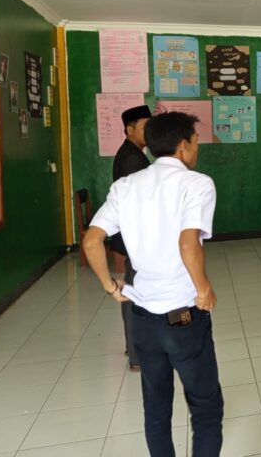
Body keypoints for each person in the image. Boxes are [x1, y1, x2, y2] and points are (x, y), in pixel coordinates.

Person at [82, 112, 223, 456]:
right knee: (205, 408)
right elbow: (188, 244)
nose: (197, 148)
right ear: (183, 145)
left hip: (142, 317)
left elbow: (91, 240)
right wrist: (204, 290)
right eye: (195, 141)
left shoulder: (126, 186)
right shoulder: (197, 184)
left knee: (156, 409)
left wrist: (110, 286)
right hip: (183, 317)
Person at [111, 105, 153, 372]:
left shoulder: (134, 153)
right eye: (144, 127)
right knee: (135, 292)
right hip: (136, 236)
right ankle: (137, 355)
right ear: (129, 129)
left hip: (133, 234)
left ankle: (132, 347)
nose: (149, 132)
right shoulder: (132, 160)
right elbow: (138, 203)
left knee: (132, 288)